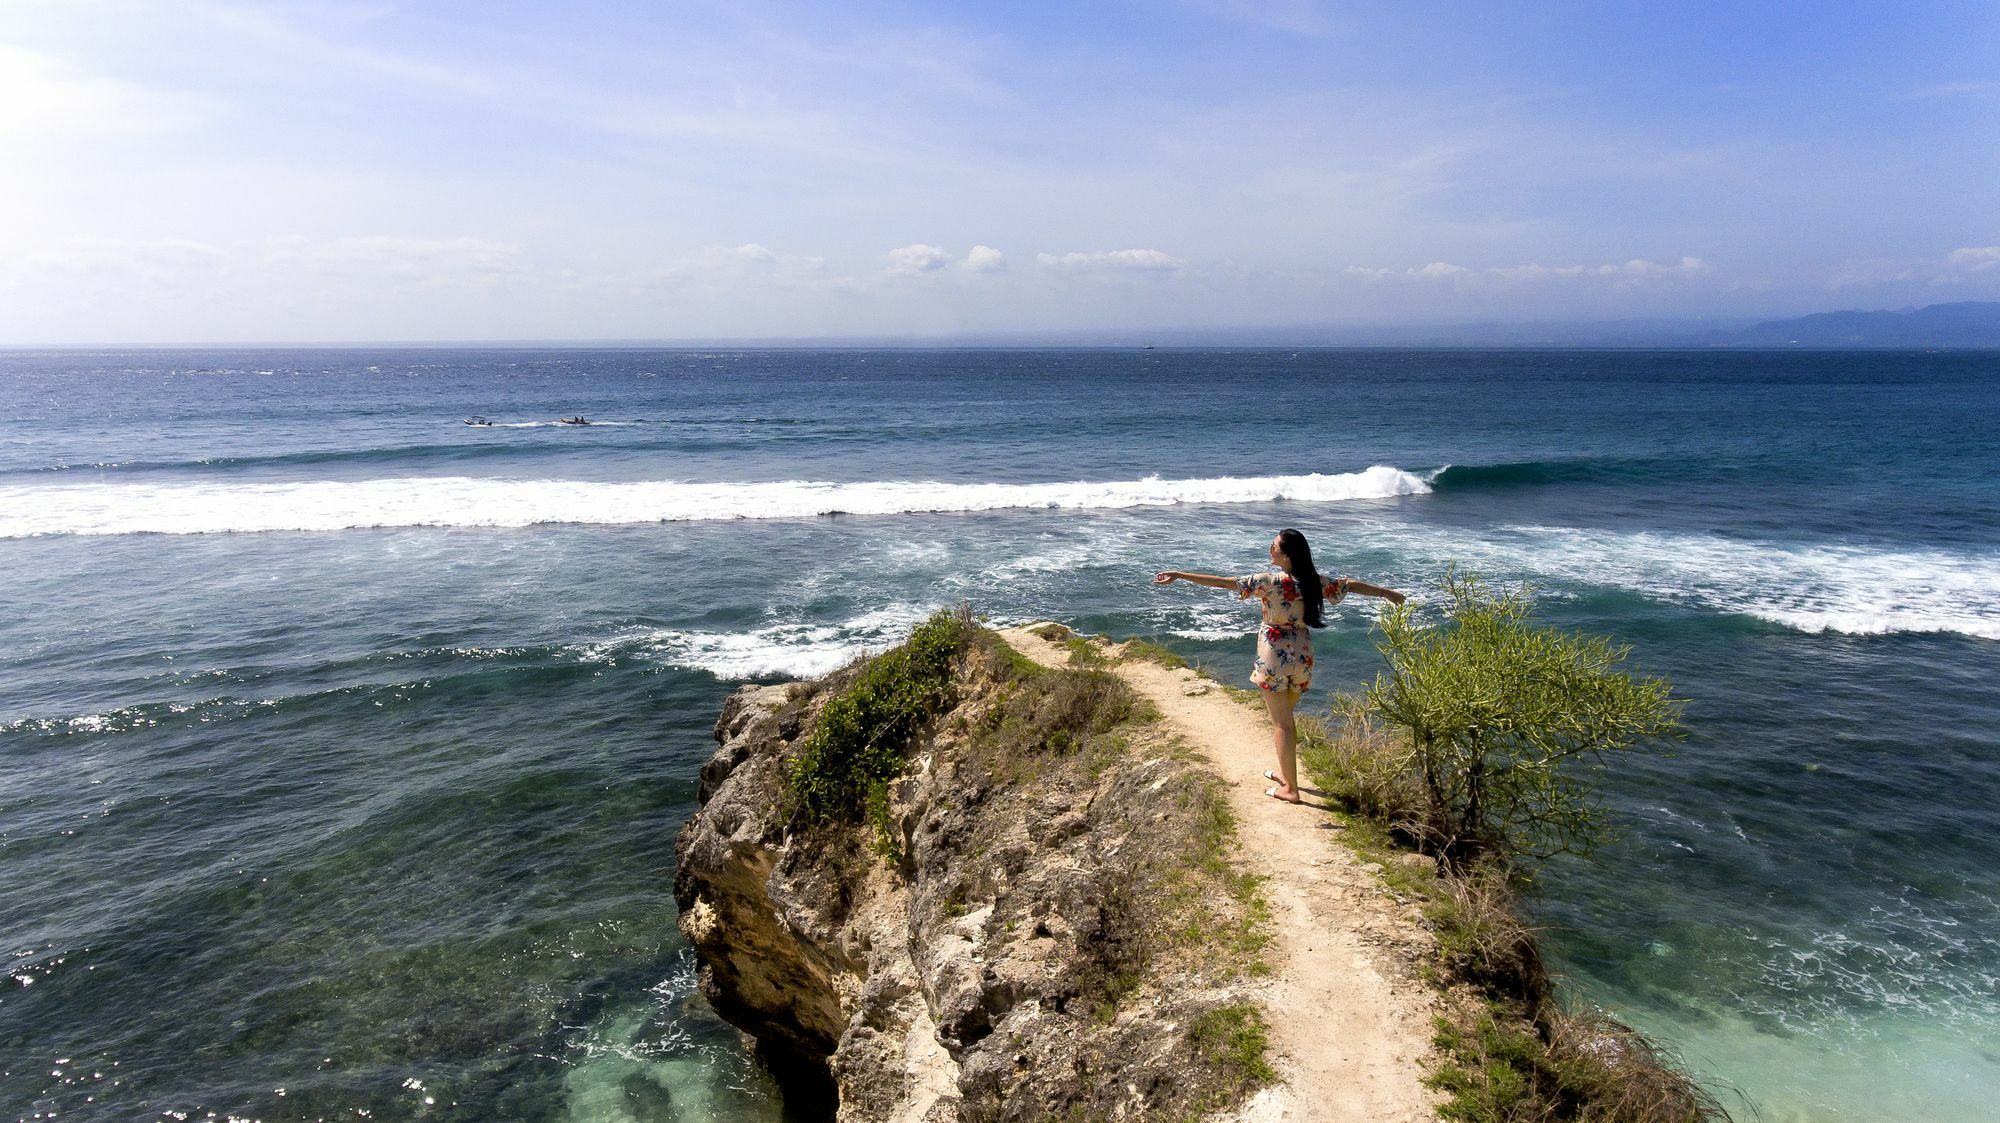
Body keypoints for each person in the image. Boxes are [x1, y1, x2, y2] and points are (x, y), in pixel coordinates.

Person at [1153, 529, 1405, 804]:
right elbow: (1350, 585)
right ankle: (1287, 776)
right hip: (1303, 654)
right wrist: (1386, 593)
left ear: (1285, 556)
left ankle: (1291, 790)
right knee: (1284, 718)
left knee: (1282, 723)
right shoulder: (1313, 581)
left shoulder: (1268, 581)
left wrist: (1180, 575)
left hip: (1274, 655)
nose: (1269, 549)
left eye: (1273, 546)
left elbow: (1225, 583)